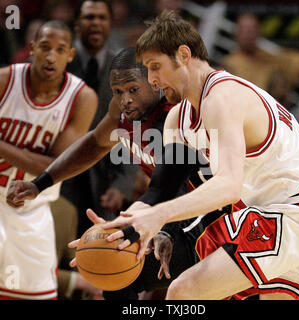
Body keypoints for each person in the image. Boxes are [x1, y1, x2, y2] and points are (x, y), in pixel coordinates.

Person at [96, 11, 299, 300]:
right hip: (269, 216)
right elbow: (160, 192)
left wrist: (156, 217)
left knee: (184, 293)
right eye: (148, 70)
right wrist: (116, 229)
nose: (152, 80)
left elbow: (228, 186)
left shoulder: (223, 96)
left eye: (156, 66)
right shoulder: (176, 120)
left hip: (298, 213)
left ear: (183, 54)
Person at [7, 47, 231, 300]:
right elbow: (95, 144)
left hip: (214, 211)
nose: (125, 99)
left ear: (155, 83)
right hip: (168, 208)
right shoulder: (124, 111)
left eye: (133, 89)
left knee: (138, 275)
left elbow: (173, 188)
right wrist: (41, 183)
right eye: (118, 91)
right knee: (114, 270)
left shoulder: (177, 115)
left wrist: (162, 228)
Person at [0, 20, 97, 299]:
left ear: (70, 55)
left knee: (38, 294)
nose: (51, 56)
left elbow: (53, 167)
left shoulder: (82, 98)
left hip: (32, 209)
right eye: (44, 47)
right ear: (32, 49)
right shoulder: (5, 80)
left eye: (59, 49)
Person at [63, 0, 138, 236]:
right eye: (89, 17)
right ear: (76, 24)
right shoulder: (57, 64)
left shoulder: (124, 70)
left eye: (101, 17)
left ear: (110, 23)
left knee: (95, 256)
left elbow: (132, 130)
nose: (95, 23)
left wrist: (122, 185)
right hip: (58, 173)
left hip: (104, 181)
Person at [222, 13, 299, 91]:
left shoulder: (272, 58)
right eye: (244, 30)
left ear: (258, 33)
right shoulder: (229, 64)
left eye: (251, 30)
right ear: (236, 34)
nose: (248, 35)